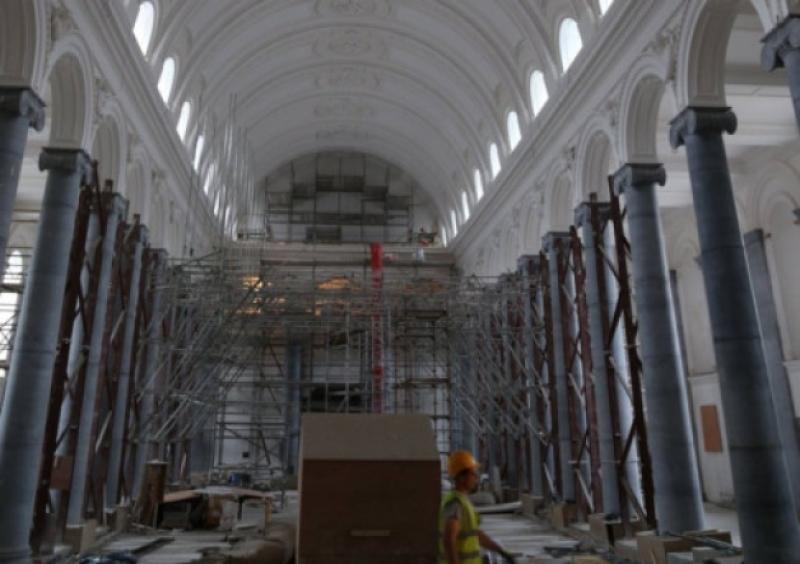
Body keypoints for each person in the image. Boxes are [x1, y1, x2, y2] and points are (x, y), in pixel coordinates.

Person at [438, 450, 516, 564]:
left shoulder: (464, 501)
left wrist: (500, 551)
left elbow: (475, 534)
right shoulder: (455, 504)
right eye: (473, 474)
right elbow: (449, 540)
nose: (476, 477)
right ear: (461, 478)